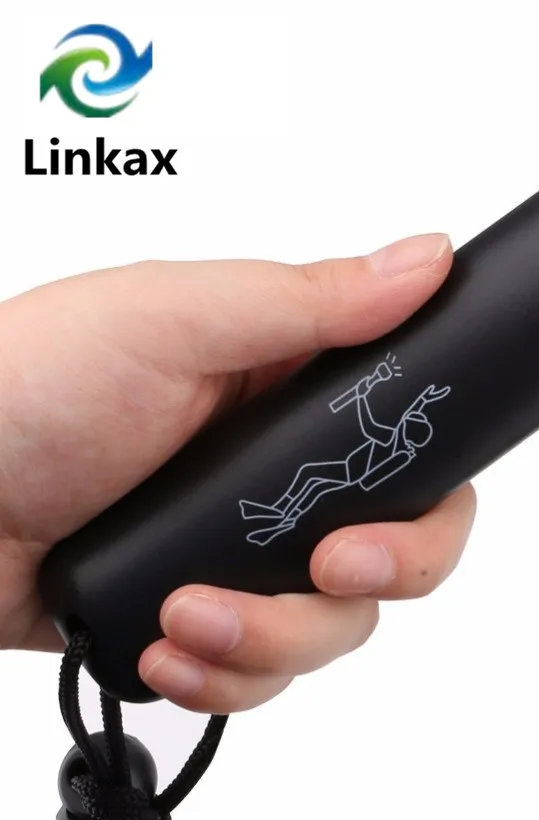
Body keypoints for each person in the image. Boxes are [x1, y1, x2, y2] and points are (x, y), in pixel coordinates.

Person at [0, 234, 477, 714]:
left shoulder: (395, 447)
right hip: (342, 471)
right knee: (309, 483)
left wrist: (368, 399)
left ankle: (272, 518)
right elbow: (401, 417)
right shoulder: (401, 438)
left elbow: (381, 433)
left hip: (350, 474)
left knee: (312, 484)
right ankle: (271, 517)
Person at [239, 355, 452, 546]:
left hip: (352, 473)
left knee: (311, 478)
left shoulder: (390, 441)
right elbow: (409, 416)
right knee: (313, 483)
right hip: (352, 468)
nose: (405, 419)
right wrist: (423, 399)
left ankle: (282, 515)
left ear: (408, 430)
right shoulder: (402, 444)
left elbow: (368, 426)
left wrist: (361, 398)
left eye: (409, 422)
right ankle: (281, 517)